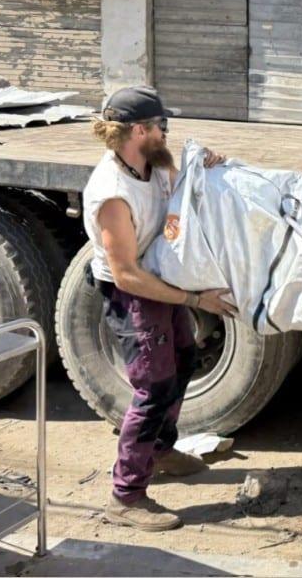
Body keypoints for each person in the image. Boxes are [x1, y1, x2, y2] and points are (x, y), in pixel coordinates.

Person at [84, 85, 234, 532]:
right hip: (133, 293)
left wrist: (206, 168)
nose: (167, 133)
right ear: (138, 131)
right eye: (161, 126)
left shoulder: (152, 162)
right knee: (153, 389)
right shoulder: (112, 193)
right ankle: (126, 496)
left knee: (183, 361)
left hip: (159, 278)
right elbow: (126, 275)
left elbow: (180, 189)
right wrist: (195, 300)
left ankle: (161, 451)